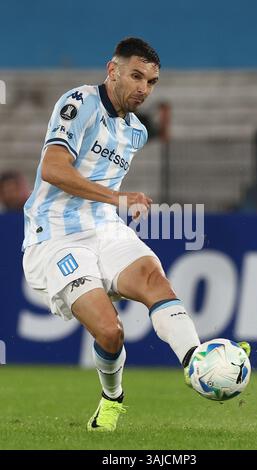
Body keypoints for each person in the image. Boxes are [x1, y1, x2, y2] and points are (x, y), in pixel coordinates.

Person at [22, 37, 201, 433]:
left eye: (151, 82)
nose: (143, 88)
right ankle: (112, 400)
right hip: (55, 234)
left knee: (154, 279)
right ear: (112, 70)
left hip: (103, 226)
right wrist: (118, 197)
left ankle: (197, 362)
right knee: (109, 330)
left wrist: (110, 205)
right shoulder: (80, 103)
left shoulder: (135, 131)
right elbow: (53, 169)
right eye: (136, 76)